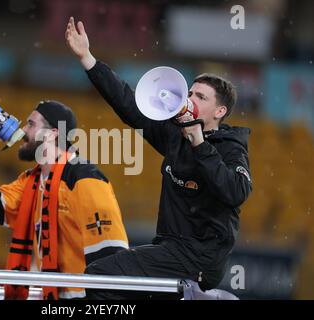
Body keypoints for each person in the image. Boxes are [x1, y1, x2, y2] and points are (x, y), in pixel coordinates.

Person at [66, 17, 252, 299]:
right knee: (105, 273)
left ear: (219, 112)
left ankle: (203, 295)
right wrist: (88, 59)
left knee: (101, 275)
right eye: (189, 92)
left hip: (200, 259)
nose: (189, 98)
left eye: (200, 96)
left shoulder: (231, 146)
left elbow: (236, 191)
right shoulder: (174, 135)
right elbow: (129, 104)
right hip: (169, 249)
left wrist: (200, 144)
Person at [0, 100, 129, 300]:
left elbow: (111, 254)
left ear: (52, 133)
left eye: (31, 124)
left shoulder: (85, 178)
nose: (23, 129)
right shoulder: (32, 181)